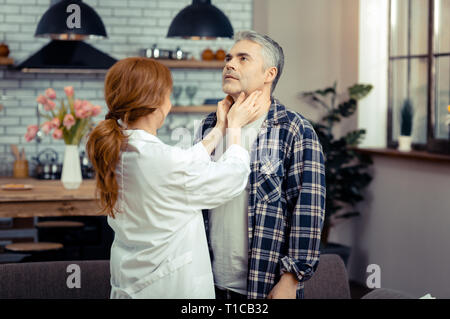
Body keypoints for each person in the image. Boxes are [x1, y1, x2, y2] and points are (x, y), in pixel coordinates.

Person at [86, 57, 263, 299]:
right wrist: (234, 129)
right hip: (168, 288)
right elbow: (230, 178)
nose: (169, 104)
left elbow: (183, 165)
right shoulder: (160, 160)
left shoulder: (122, 148)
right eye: (168, 96)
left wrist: (219, 129)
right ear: (156, 102)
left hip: (132, 282)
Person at [194, 31, 326, 299]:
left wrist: (291, 280)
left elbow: (307, 210)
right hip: (204, 281)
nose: (229, 64)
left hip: (263, 284)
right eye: (229, 58)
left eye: (243, 59)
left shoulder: (295, 130)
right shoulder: (210, 126)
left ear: (270, 74)